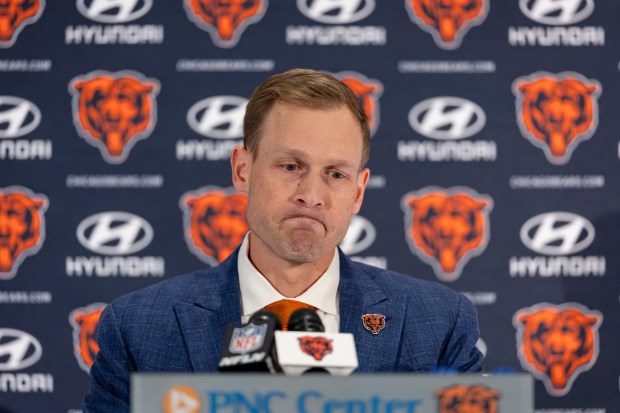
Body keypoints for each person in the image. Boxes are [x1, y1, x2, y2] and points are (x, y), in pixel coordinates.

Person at [82, 68, 483, 412]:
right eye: (291, 166)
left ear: (358, 191)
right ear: (243, 170)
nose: (311, 194)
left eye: (336, 174)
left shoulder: (440, 325)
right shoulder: (137, 328)